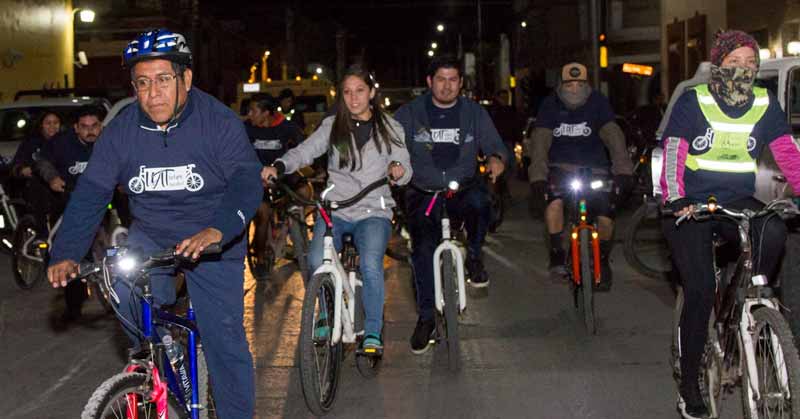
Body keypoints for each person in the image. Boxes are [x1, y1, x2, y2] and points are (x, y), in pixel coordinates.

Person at [46, 29, 262, 419]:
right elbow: (92, 191)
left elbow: (246, 181)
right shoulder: (122, 132)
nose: (153, 93)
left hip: (213, 240)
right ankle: (163, 358)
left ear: (186, 79)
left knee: (224, 340)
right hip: (153, 234)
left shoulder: (218, 122)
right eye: (142, 83)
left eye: (163, 79)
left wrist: (218, 229)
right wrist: (66, 253)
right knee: (124, 292)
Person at [659, 30, 800, 419]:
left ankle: (751, 303)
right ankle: (690, 385)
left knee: (773, 229)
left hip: (736, 200)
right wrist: (676, 198)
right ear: (717, 64)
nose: (744, 69)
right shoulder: (694, 101)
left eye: (751, 63)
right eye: (734, 62)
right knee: (701, 288)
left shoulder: (764, 103)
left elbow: (787, 154)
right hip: (691, 204)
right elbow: (673, 154)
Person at [262, 65, 411, 354]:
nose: (354, 98)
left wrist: (398, 169)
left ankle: (373, 331)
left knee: (370, 264)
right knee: (316, 259)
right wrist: (280, 165)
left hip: (373, 210)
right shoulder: (333, 126)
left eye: (360, 91)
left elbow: (403, 162)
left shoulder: (390, 127)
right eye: (347, 92)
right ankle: (325, 313)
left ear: (371, 93)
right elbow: (305, 151)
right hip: (336, 210)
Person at [394, 55, 509, 354]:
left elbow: (494, 144)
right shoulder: (409, 113)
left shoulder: (474, 113)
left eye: (453, 80)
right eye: (441, 80)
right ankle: (426, 318)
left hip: (462, 188)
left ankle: (474, 257)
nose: (447, 86)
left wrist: (496, 158)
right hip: (423, 193)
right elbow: (391, 146)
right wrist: (393, 164)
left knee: (482, 203)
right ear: (429, 82)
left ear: (461, 83)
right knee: (422, 251)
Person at [527, 62, 634, 290]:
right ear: (561, 85)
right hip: (560, 168)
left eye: (579, 84)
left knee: (606, 215)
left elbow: (614, 137)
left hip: (595, 168)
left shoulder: (598, 102)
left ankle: (602, 259)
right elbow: (540, 143)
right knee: (554, 203)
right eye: (569, 84)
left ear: (587, 84)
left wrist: (624, 171)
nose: (574, 89)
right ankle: (557, 255)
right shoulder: (550, 105)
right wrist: (538, 178)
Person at [27, 106, 103, 323]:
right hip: (69, 201)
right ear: (76, 128)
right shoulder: (61, 143)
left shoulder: (109, 142)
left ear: (101, 126)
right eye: (84, 127)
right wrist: (52, 178)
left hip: (102, 198)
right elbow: (42, 161)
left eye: (95, 126)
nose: (90, 131)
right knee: (71, 251)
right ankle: (74, 306)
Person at [245, 92, 310, 277]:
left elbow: (304, 148)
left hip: (282, 175)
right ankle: (260, 258)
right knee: (263, 212)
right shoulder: (246, 128)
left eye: (253, 111)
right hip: (256, 178)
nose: (249, 114)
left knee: (305, 191)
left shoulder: (287, 127)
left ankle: (289, 222)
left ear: (266, 113)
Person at [10, 111, 61, 179]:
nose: (52, 126)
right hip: (36, 182)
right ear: (41, 125)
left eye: (56, 123)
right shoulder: (30, 142)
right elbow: (16, 166)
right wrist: (22, 170)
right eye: (48, 123)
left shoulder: (66, 142)